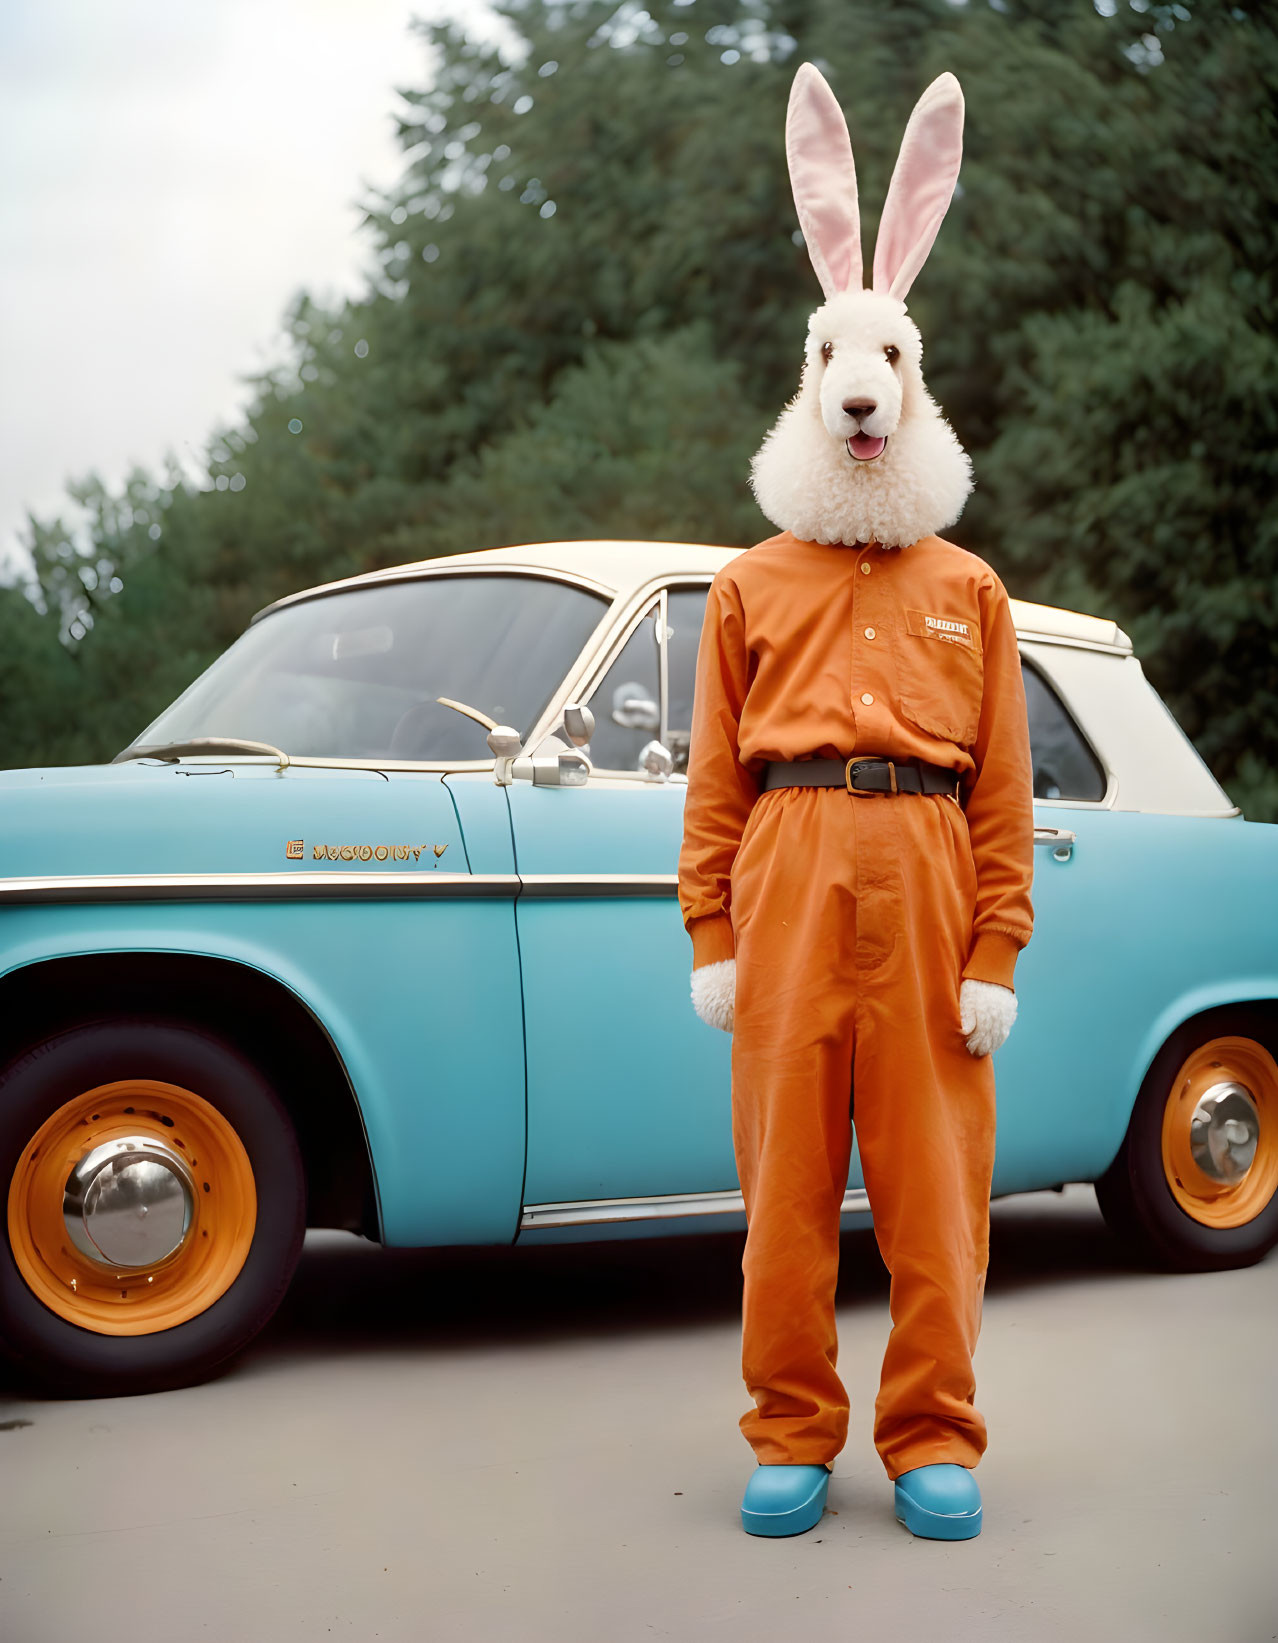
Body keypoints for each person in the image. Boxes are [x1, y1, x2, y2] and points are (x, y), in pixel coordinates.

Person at [676, 63, 1035, 1542]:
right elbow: (712, 775)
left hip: (930, 867)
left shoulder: (972, 589)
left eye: (886, 357)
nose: (863, 384)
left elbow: (1006, 787)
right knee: (784, 1185)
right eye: (841, 356)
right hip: (786, 868)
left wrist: (995, 946)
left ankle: (933, 1435)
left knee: (939, 1189)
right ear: (814, 372)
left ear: (909, 371)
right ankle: (789, 1430)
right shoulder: (749, 585)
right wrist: (710, 926)